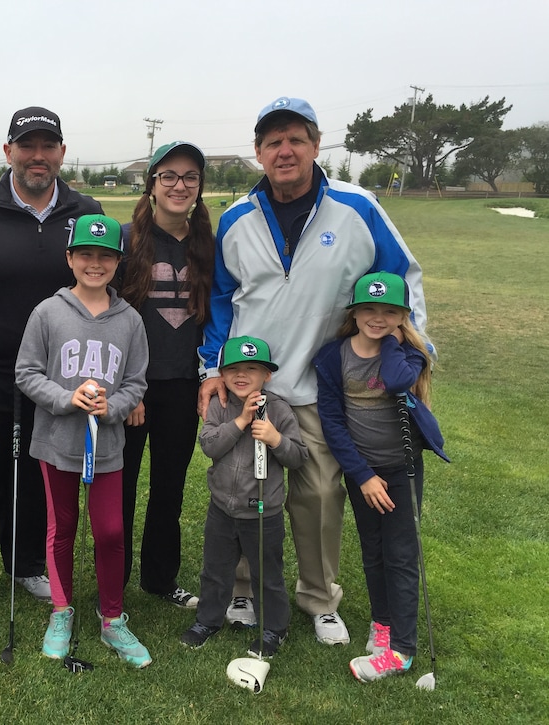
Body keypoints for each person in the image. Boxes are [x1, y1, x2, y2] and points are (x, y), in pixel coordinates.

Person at [198, 96, 431, 645]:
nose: (285, 151)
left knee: (320, 494)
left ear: (316, 145)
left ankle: (319, 598)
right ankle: (244, 589)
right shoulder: (236, 218)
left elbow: (404, 280)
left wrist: (415, 354)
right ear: (259, 152)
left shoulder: (358, 207)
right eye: (273, 141)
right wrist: (210, 367)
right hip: (247, 386)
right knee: (243, 487)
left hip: (320, 386)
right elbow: (221, 303)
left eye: (296, 139)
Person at [0, 107, 103, 627]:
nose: (38, 156)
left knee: (42, 476)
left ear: (61, 152)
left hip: (57, 379)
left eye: (48, 145)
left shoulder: (85, 210)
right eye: (27, 145)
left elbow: (102, 287)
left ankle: (28, 563)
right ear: (9, 151)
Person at [15, 214, 152, 668]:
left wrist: (111, 406)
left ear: (118, 262)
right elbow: (27, 373)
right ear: (70, 257)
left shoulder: (130, 320)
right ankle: (61, 610)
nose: (96, 263)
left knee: (111, 530)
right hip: (57, 442)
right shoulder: (46, 312)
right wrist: (65, 398)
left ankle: (112, 618)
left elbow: (136, 383)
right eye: (86, 254)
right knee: (63, 527)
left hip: (108, 445)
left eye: (106, 256)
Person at [313, 272, 447, 681]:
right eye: (368, 309)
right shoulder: (333, 356)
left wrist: (392, 338)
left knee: (402, 555)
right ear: (353, 311)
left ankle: (402, 651)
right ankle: (383, 624)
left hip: (401, 470)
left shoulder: (408, 354)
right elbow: (333, 421)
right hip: (363, 471)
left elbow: (395, 380)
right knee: (373, 549)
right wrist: (363, 475)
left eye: (390, 311)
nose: (377, 317)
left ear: (404, 315)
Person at [116, 140, 214, 608]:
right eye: (169, 176)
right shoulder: (124, 239)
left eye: (190, 177)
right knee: (121, 487)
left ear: (199, 188)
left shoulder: (206, 247)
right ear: (152, 183)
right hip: (130, 388)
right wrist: (127, 386)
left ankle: (159, 578)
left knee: (169, 487)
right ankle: (112, 578)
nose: (179, 185)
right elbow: (108, 318)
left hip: (182, 385)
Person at [181, 336, 307, 656]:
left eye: (252, 368)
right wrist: (239, 422)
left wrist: (276, 439)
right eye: (233, 368)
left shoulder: (278, 409)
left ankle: (273, 629)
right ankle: (208, 619)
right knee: (215, 569)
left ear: (267, 375)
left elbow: (298, 457)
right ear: (221, 375)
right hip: (222, 507)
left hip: (264, 511)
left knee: (267, 573)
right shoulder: (220, 407)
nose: (242, 375)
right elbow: (209, 445)